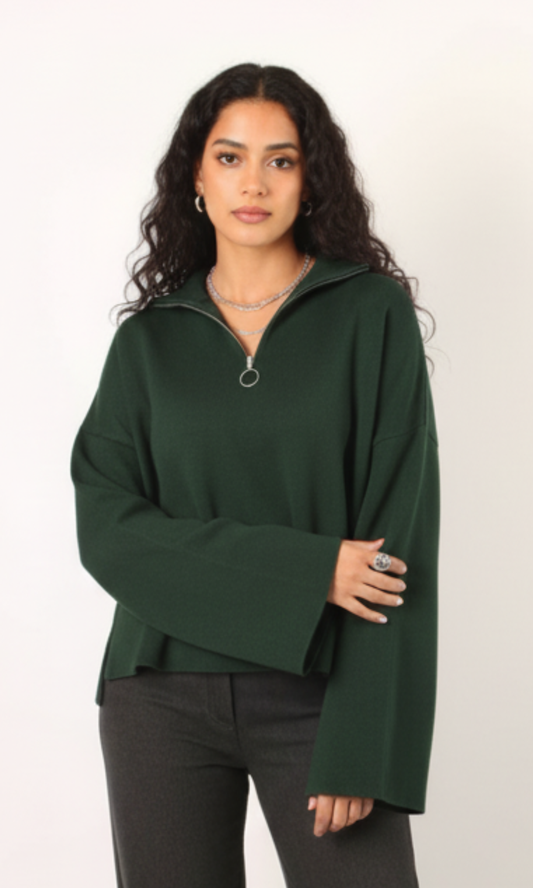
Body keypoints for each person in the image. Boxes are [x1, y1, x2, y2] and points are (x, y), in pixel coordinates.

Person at [70, 62, 440, 888]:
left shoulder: (369, 314)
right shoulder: (148, 341)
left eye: (281, 160)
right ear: (195, 178)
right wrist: (311, 570)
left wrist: (364, 741)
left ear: (311, 181)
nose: (254, 183)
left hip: (320, 692)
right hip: (157, 693)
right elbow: (109, 532)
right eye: (230, 157)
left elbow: (398, 543)